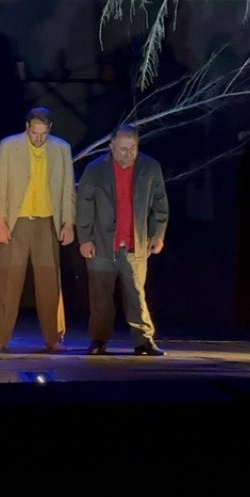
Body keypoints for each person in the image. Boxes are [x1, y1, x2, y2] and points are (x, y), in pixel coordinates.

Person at [76, 125, 169, 356]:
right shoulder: (95, 169)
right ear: (112, 147)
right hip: (101, 243)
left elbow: (160, 203)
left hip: (135, 244)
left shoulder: (150, 167)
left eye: (132, 149)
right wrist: (85, 238)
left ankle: (144, 341)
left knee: (136, 295)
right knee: (100, 296)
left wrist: (157, 235)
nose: (128, 154)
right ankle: (98, 340)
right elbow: (84, 205)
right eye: (123, 149)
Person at [0, 107, 76, 352]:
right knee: (8, 281)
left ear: (50, 129)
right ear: (27, 127)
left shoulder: (61, 148)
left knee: (49, 282)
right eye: (34, 133)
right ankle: (0, 335)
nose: (38, 138)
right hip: (16, 222)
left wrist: (68, 222)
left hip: (46, 221)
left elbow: (68, 188)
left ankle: (53, 337)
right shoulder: (9, 146)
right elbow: (0, 184)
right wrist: (0, 220)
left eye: (43, 134)